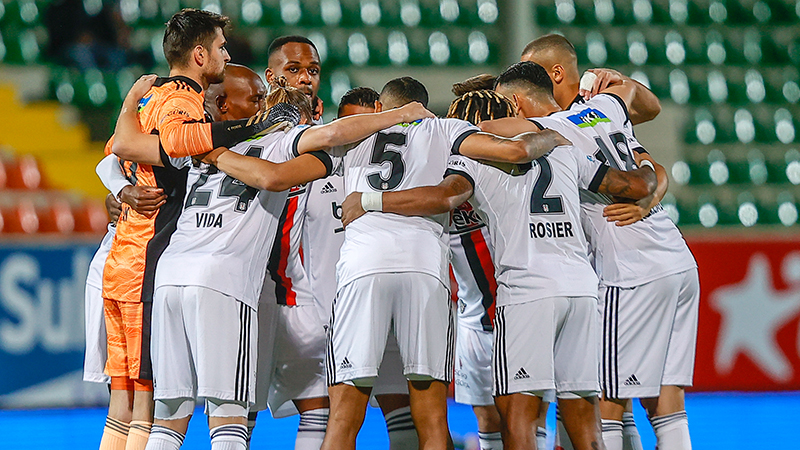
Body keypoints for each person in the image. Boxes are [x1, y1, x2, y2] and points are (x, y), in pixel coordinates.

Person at [112, 71, 434, 450]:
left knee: (168, 419)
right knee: (229, 417)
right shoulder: (283, 140)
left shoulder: (198, 140)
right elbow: (324, 140)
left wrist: (132, 99)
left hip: (170, 276)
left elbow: (125, 144)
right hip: (223, 280)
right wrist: (399, 114)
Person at [339, 87, 656, 450]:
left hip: (520, 297)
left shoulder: (467, 162)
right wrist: (646, 165)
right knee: (584, 424)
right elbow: (632, 185)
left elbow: (443, 197)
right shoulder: (565, 149)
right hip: (580, 289)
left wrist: (369, 199)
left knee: (515, 423)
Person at [321, 76, 570, 450]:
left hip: (363, 268)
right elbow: (512, 153)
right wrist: (552, 132)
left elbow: (291, 164)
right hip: (429, 271)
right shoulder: (448, 130)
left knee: (341, 418)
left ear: (379, 108)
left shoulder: (351, 134)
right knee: (436, 419)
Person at [488, 60, 699, 450]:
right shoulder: (603, 109)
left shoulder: (551, 132)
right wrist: (621, 79)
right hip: (677, 258)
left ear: (517, 103)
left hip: (629, 266)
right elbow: (647, 110)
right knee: (666, 400)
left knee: (605, 402)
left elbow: (480, 133)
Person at [100, 9, 283, 450]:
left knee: (125, 408)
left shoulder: (149, 98)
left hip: (124, 259)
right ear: (199, 55)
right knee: (150, 410)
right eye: (221, 47)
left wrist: (122, 190)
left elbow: (111, 155)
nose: (227, 53)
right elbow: (176, 142)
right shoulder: (182, 98)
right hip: (151, 258)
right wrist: (253, 126)